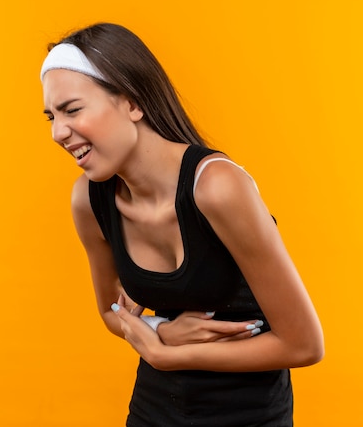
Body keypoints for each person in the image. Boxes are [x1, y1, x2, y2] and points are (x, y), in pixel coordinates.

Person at [40, 22, 324, 427]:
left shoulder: (217, 188)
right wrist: (159, 328)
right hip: (153, 412)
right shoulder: (89, 200)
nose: (57, 132)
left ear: (132, 103)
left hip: (249, 418)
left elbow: (304, 345)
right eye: (51, 116)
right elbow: (110, 309)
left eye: (72, 109)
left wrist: (168, 353)